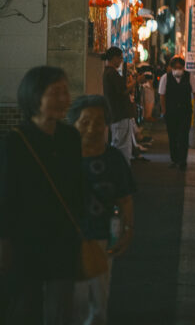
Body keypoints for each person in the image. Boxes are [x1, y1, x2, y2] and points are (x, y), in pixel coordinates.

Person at [0, 66, 81, 323]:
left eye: (65, 92)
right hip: (25, 242)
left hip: (63, 239)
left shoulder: (70, 137)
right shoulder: (15, 142)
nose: (64, 99)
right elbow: (6, 196)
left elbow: (78, 186)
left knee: (62, 310)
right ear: (35, 96)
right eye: (55, 92)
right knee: (26, 308)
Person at [69, 95, 136, 324]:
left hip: (101, 237)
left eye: (98, 122)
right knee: (70, 301)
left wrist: (127, 230)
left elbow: (125, 198)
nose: (92, 128)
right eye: (85, 121)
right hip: (67, 238)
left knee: (98, 298)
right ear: (74, 124)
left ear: (107, 124)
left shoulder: (113, 159)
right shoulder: (62, 158)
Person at [159, 56, 195, 171]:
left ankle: (182, 161)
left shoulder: (189, 77)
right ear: (171, 68)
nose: (178, 69)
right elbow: (162, 95)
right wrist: (163, 111)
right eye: (176, 67)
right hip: (171, 111)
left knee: (184, 136)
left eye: (180, 67)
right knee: (172, 136)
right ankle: (174, 159)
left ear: (183, 68)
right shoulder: (165, 78)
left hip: (185, 111)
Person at [101, 47, 134, 165]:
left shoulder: (108, 72)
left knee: (120, 144)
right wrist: (136, 81)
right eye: (120, 58)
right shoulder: (112, 73)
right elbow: (123, 91)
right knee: (121, 146)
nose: (121, 61)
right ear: (114, 58)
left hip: (116, 114)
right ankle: (120, 171)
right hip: (119, 114)